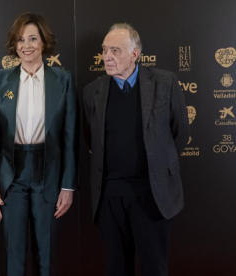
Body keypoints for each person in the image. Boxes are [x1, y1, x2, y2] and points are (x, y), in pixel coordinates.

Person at [83, 23, 190, 276]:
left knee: (154, 267)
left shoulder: (165, 82)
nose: (107, 56)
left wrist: (157, 164)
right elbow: (92, 139)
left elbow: (180, 133)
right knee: (117, 267)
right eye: (105, 50)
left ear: (135, 54)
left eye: (115, 50)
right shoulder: (92, 92)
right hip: (110, 196)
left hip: (152, 195)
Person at [0, 13, 77, 276]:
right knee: (13, 250)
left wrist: (67, 185)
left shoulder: (63, 80)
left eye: (33, 38)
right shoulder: (0, 79)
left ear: (44, 43)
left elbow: (70, 136)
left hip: (48, 170)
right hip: (11, 172)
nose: (27, 45)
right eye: (21, 40)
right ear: (14, 45)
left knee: (46, 251)